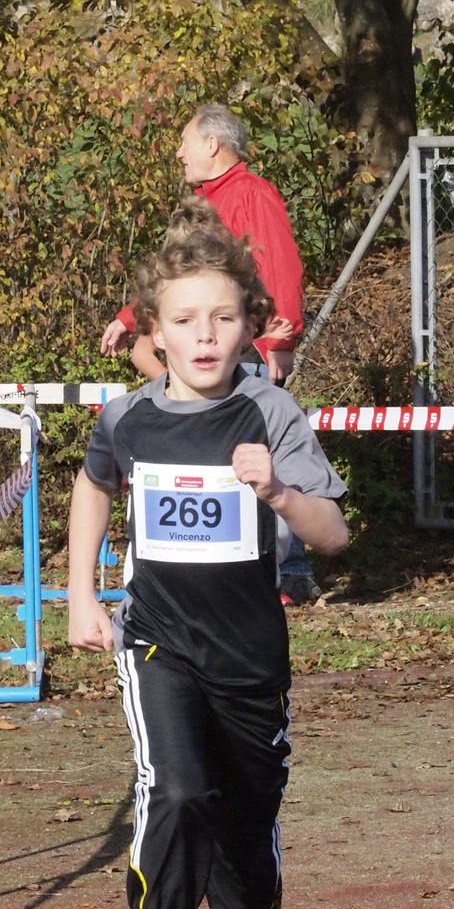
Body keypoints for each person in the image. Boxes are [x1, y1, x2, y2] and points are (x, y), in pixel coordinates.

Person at [68, 200, 349, 909]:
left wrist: (278, 498)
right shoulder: (128, 419)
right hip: (158, 641)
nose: (204, 336)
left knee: (244, 822)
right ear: (153, 330)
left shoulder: (271, 413)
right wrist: (79, 595)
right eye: (185, 320)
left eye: (223, 318)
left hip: (250, 656)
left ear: (250, 326)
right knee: (178, 789)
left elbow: (334, 534)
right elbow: (93, 485)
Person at [99, 103, 323, 602]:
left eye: (184, 142)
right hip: (224, 346)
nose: (179, 153)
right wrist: (130, 318)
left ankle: (289, 570)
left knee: (259, 459)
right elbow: (182, 281)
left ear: (211, 144)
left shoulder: (252, 193)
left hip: (247, 350)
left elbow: (280, 266)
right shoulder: (205, 205)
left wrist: (280, 341)